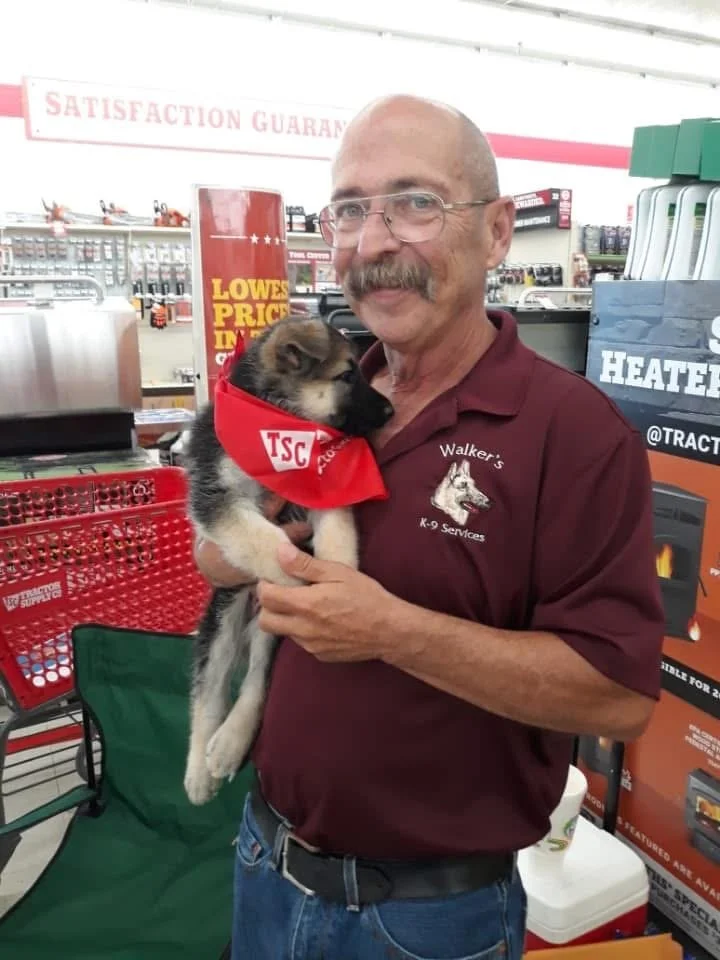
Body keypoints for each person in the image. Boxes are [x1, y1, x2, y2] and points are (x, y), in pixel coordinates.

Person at [195, 94, 665, 960]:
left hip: (424, 922)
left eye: (414, 203)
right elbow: (220, 550)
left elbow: (618, 695)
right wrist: (230, 550)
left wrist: (391, 631)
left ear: (494, 233)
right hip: (264, 865)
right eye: (349, 209)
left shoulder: (573, 434)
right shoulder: (314, 403)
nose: (373, 243)